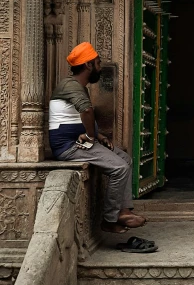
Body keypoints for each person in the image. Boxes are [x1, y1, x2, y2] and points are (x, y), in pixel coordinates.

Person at [49, 42, 146, 233]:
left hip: (78, 142)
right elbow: (86, 110)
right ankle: (110, 219)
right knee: (119, 168)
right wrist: (91, 136)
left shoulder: (77, 86)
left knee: (126, 159)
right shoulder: (71, 85)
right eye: (98, 63)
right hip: (69, 147)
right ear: (88, 65)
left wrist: (98, 136)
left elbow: (79, 115)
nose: (100, 68)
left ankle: (124, 210)